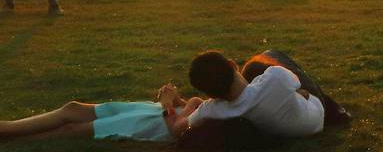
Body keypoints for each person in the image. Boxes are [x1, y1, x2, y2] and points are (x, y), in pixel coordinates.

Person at [169, 51, 324, 139]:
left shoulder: (211, 110)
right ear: (232, 64)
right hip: (316, 114)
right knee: (268, 56)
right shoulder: (275, 77)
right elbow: (302, 93)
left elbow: (176, 129)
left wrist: (174, 103)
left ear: (210, 94)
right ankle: (337, 111)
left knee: (252, 70)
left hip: (293, 131)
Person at [0, 84, 199, 142]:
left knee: (71, 129)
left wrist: (166, 104)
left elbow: (177, 129)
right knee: (73, 108)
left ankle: (10, 136)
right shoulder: (211, 103)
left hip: (152, 125)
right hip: (150, 111)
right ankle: (7, 128)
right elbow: (188, 108)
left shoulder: (220, 114)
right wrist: (174, 97)